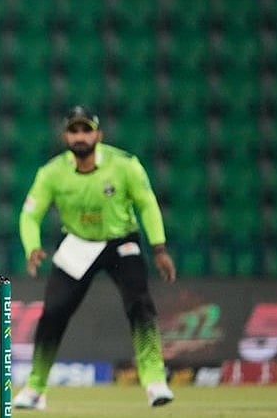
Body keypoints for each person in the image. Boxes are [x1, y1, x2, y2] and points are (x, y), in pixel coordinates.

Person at [12, 105, 177, 410]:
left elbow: (148, 204)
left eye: (86, 130)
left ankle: (154, 381)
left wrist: (159, 248)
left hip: (120, 242)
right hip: (78, 244)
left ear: (98, 134)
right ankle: (35, 387)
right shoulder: (52, 172)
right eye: (74, 130)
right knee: (52, 314)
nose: (80, 136)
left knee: (140, 305)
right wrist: (32, 246)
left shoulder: (125, 165)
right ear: (65, 136)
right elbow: (30, 215)